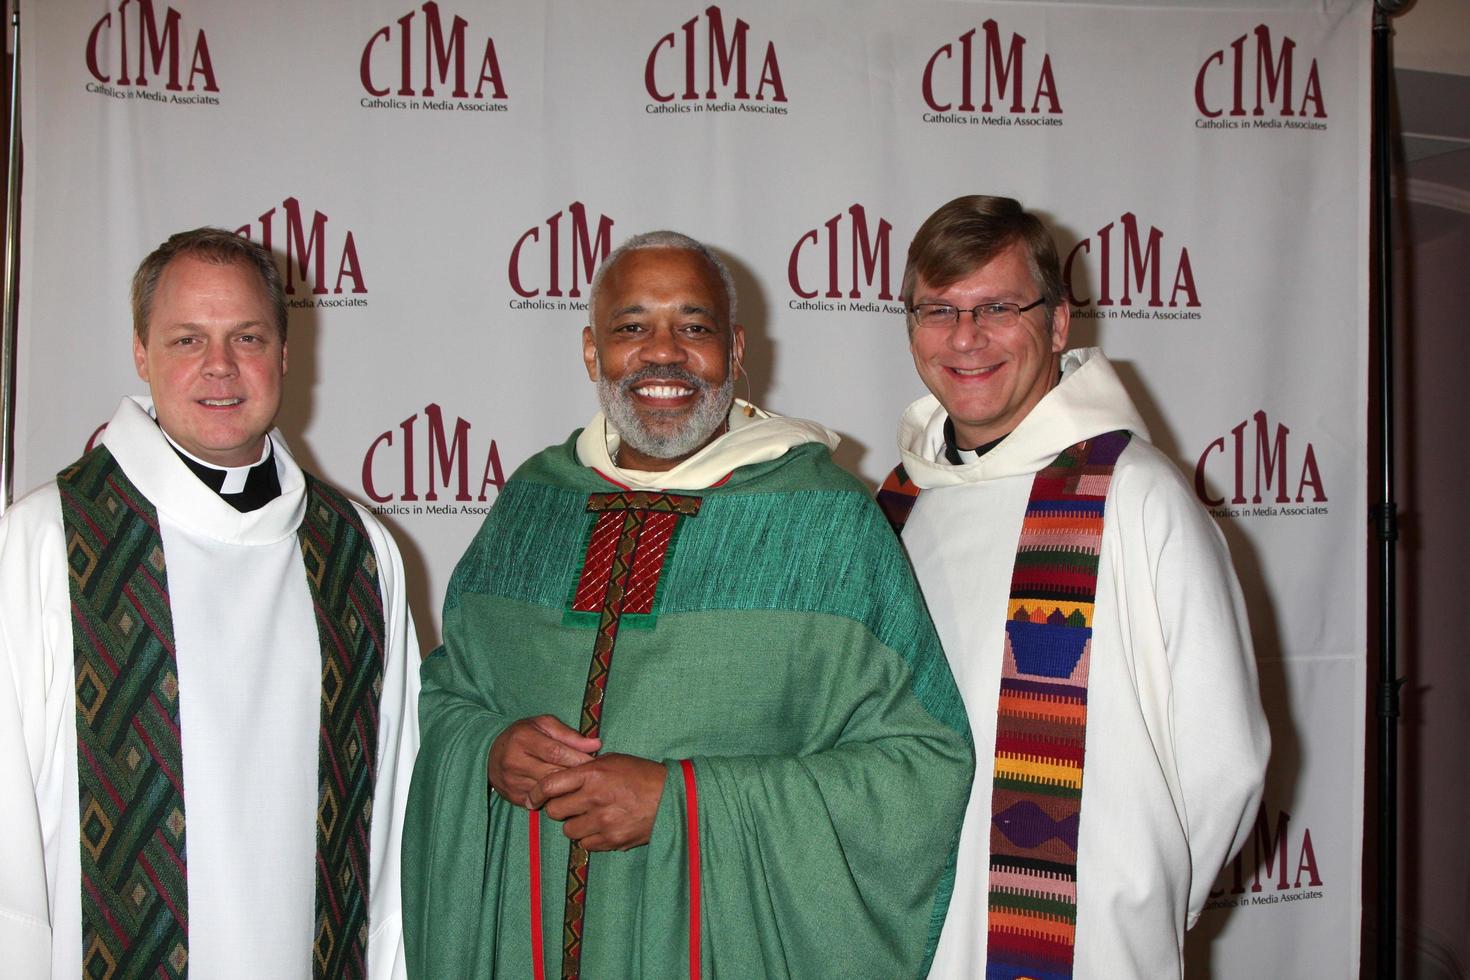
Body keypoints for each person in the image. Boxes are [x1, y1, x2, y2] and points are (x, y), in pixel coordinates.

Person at [403, 231, 974, 979]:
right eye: (632, 327)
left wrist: (686, 803)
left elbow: (920, 763)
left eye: (693, 327)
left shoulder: (824, 522)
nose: (663, 353)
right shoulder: (532, 507)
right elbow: (450, 692)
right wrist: (488, 748)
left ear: (735, 351)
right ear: (590, 352)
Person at [0, 228, 420, 978]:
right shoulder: (45, 541)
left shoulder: (359, 553)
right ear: (141, 352)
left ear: (286, 355)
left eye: (247, 337)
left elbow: (392, 832)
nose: (220, 367)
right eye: (188, 338)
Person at [876, 196, 1270, 979]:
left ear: (1058, 324)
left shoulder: (1133, 495)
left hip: (1085, 942)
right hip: (910, 936)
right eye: (938, 310)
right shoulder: (895, 505)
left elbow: (1224, 761)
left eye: (998, 306)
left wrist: (1131, 900)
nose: (965, 337)